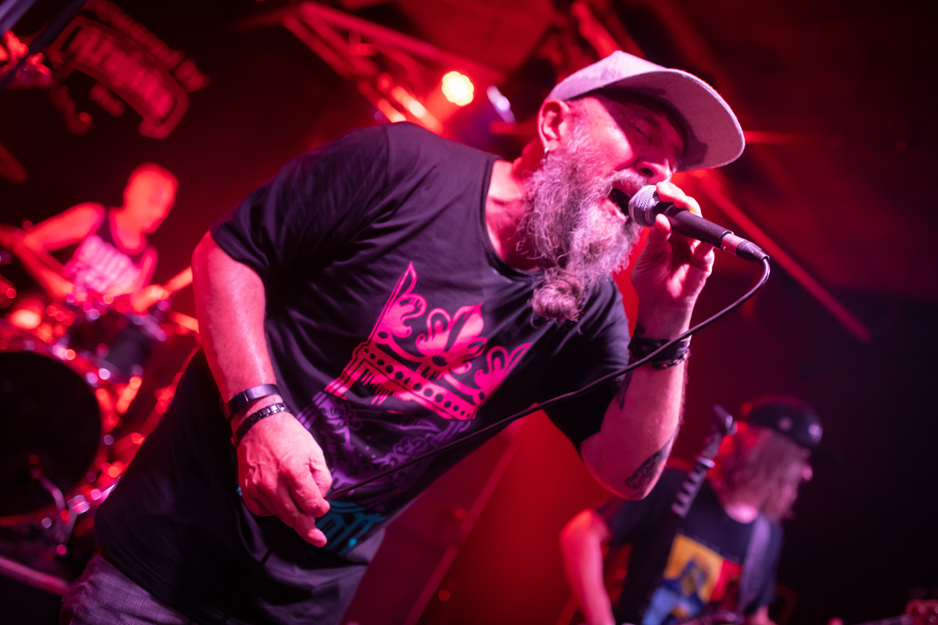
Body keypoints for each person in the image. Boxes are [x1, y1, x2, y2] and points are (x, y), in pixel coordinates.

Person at [60, 51, 746, 624]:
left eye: (673, 162)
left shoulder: (586, 307)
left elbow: (627, 471)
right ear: (555, 123)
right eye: (641, 130)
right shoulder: (400, 165)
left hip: (299, 608)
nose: (659, 169)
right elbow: (228, 255)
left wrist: (668, 319)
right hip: (165, 559)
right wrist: (259, 413)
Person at [560, 397, 834, 625]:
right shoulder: (674, 486)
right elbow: (581, 534)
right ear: (766, 451)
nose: (806, 473)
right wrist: (601, 619)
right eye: (800, 458)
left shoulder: (768, 536)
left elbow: (756, 618)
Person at [0, 163, 189, 331]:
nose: (159, 213)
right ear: (130, 192)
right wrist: (54, 283)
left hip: (83, 333)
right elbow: (24, 243)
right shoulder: (93, 218)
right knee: (24, 323)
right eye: (153, 202)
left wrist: (144, 302)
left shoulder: (148, 256)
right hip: (45, 305)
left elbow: (128, 310)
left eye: (166, 207)